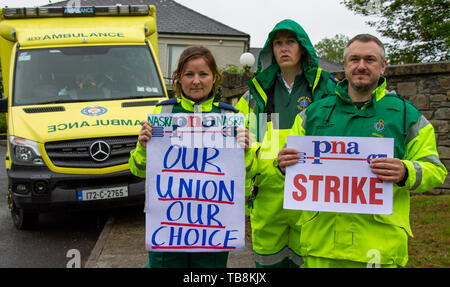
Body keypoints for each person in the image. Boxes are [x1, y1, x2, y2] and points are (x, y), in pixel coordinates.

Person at [277, 34, 448, 268]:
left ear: (383, 66)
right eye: (354, 59)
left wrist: (405, 171)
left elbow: (435, 170)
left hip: (379, 249)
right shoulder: (313, 113)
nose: (361, 66)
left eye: (370, 60)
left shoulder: (407, 115)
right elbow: (287, 166)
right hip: (320, 246)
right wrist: (283, 164)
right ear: (345, 65)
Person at [129, 46, 250, 268]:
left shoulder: (230, 117)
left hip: (213, 229)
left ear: (215, 78)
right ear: (179, 78)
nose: (196, 81)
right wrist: (143, 147)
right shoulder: (162, 114)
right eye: (189, 74)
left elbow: (247, 176)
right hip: (168, 227)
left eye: (203, 74)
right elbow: (137, 170)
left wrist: (246, 151)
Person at [235, 19, 337, 268]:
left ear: (302, 47)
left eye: (290, 42)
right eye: (278, 43)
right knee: (268, 262)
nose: (284, 48)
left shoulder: (325, 87)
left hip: (312, 195)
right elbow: (242, 140)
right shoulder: (258, 92)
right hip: (269, 198)